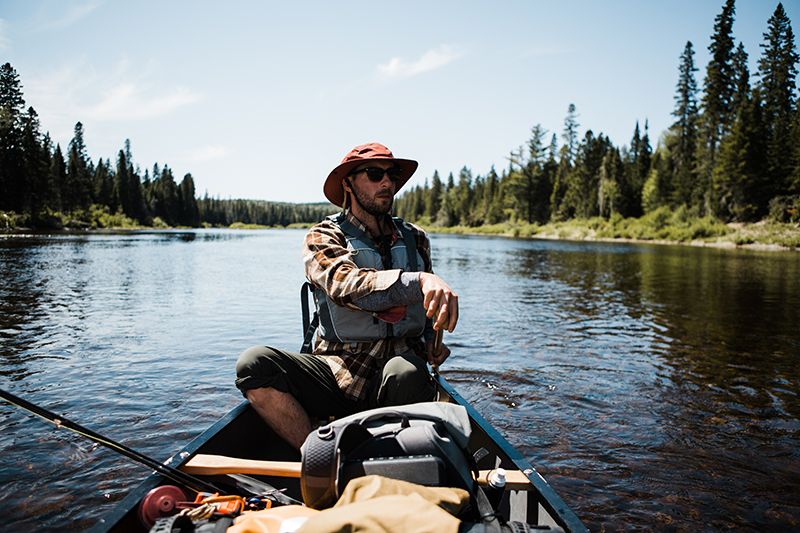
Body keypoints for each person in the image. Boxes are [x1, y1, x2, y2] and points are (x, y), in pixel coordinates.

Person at [235, 142, 458, 449]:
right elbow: (346, 285)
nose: (387, 183)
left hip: (400, 373)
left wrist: (433, 343)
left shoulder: (416, 238)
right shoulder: (323, 236)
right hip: (338, 371)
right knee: (254, 363)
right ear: (348, 184)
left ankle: (388, 456)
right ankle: (317, 454)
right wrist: (419, 280)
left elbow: (427, 309)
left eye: (391, 176)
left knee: (405, 372)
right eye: (374, 174)